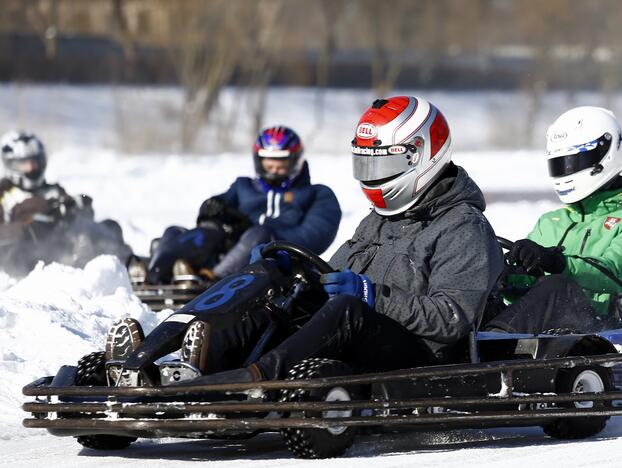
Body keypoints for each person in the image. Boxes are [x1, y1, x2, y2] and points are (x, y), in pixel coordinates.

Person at [107, 96, 504, 385]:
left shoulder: (463, 226)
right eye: (367, 161)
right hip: (364, 337)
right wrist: (287, 272)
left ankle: (251, 381)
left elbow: (452, 319)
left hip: (423, 358)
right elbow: (332, 272)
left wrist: (371, 296)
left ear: (422, 154)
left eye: (382, 162)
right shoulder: (380, 221)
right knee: (274, 297)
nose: (373, 175)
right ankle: (177, 362)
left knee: (345, 310)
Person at [485, 106, 622, 335]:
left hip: (594, 328)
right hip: (544, 327)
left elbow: (616, 273)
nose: (565, 172)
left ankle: (491, 345)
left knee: (559, 286)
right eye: (559, 165)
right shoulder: (551, 222)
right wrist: (504, 276)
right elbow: (529, 288)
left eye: (572, 163)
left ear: (603, 156)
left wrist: (558, 263)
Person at [138, 126, 341, 284]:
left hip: (275, 261)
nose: (273, 171)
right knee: (176, 231)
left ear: (295, 162)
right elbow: (213, 211)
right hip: (229, 252)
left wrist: (260, 234)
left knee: (259, 234)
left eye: (281, 165)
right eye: (269, 165)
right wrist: (213, 209)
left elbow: (314, 238)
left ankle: (212, 280)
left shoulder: (317, 194)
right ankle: (157, 271)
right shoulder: (243, 186)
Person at [0, 130, 131, 276]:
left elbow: (80, 216)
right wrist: (34, 218)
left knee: (109, 227)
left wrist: (77, 207)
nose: (31, 168)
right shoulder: (3, 192)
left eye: (35, 162)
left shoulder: (53, 190)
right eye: (24, 164)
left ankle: (127, 267)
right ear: (11, 165)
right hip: (21, 259)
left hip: (60, 247)